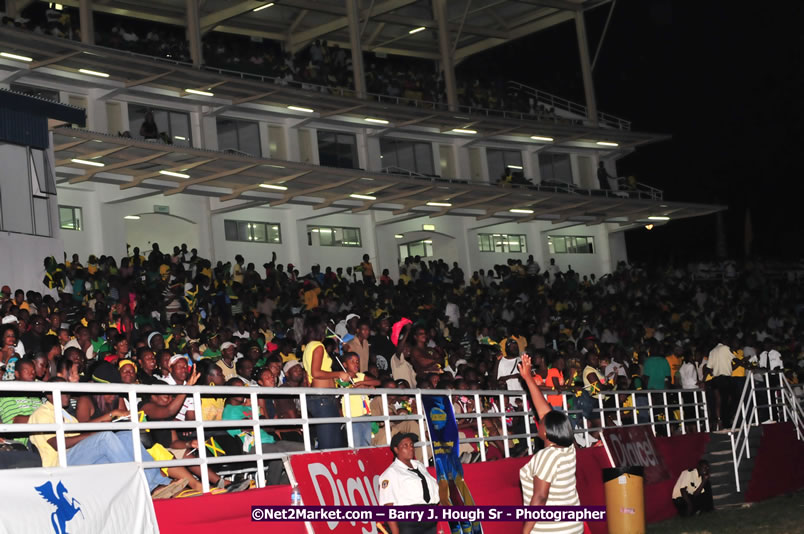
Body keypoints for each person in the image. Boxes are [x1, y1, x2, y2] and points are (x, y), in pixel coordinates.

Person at [518, 354, 583, 534]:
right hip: (572, 526)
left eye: (543, 421)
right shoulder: (568, 448)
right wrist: (528, 378)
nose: (540, 419)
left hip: (552, 530)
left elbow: (540, 498)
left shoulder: (546, 457)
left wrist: (525, 532)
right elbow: (544, 409)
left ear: (546, 432)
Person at [377, 432, 440, 534]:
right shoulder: (390, 473)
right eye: (405, 446)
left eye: (411, 445)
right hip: (409, 522)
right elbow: (388, 507)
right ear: (396, 449)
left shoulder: (419, 466)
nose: (410, 448)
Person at [302, 315, 348, 449]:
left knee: (334, 441)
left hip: (322, 397)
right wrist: (338, 373)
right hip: (322, 398)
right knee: (329, 442)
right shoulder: (318, 347)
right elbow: (316, 373)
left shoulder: (308, 347)